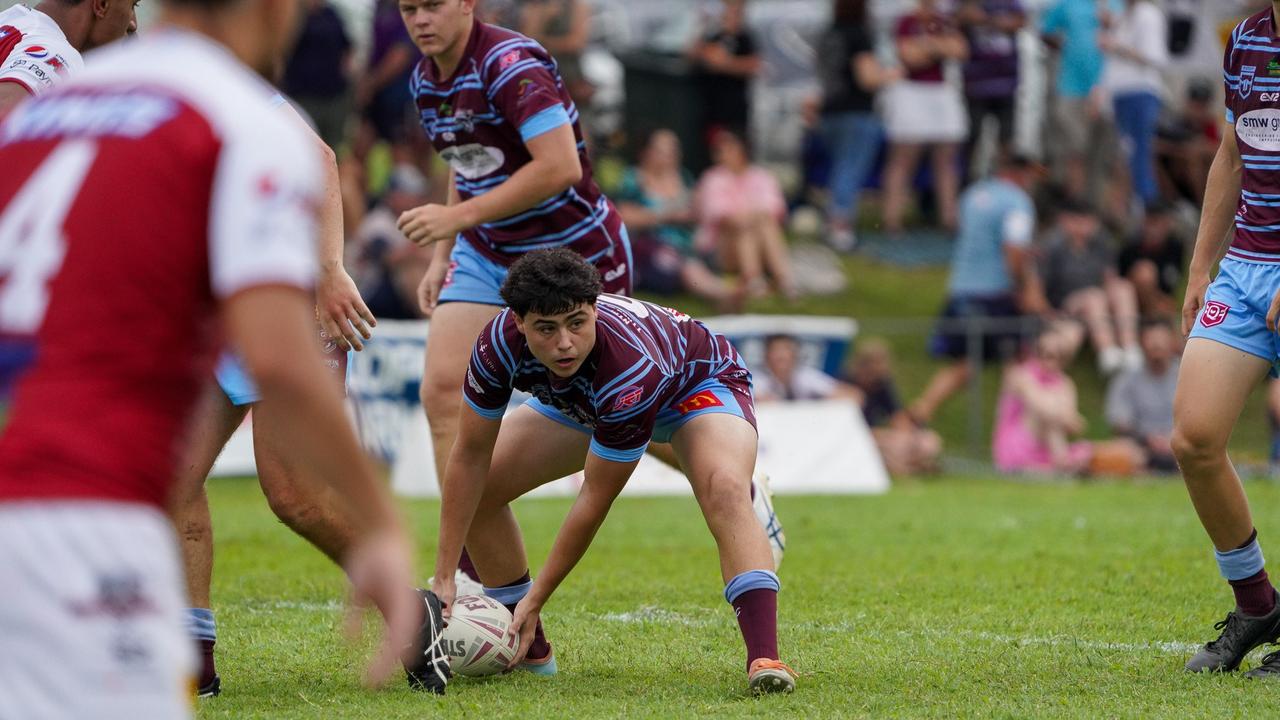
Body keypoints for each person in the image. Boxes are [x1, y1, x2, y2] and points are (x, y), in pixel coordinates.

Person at [0, 0, 425, 714]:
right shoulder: (230, 115)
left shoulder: (57, 102)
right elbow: (279, 354)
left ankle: (198, 655)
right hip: (95, 522)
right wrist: (383, 525)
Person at [429, 248, 798, 694]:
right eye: (546, 329)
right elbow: (469, 456)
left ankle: (765, 657)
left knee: (723, 487)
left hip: (698, 385)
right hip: (582, 396)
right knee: (482, 488)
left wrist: (536, 596)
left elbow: (593, 499)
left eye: (577, 323)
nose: (564, 342)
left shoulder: (629, 368)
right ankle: (531, 650)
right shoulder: (495, 345)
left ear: (595, 309)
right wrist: (444, 575)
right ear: (519, 323)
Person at [395, 0, 633, 602]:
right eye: (407, 8)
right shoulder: (427, 76)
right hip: (487, 249)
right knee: (444, 391)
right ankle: (491, 585)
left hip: (573, 253)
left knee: (621, 406)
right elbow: (466, 161)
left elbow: (558, 166)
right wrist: (444, 251)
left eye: (433, 5)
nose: (420, 19)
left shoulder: (510, 63)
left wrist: (456, 216)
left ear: (467, 4)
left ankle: (730, 473)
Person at [167, 101, 388, 697]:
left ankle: (413, 613)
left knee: (295, 497)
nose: (135, 18)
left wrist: (331, 268)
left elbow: (319, 159)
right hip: (213, 316)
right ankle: (196, 660)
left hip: (289, 302)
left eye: (140, 1)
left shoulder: (219, 81)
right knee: (171, 483)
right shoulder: (120, 91)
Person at [1174, 4, 1280, 679]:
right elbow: (1234, 149)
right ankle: (1258, 604)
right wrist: (1198, 264)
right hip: (1244, 270)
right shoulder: (1244, 37)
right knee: (1194, 437)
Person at [908, 154, 1043, 426]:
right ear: (1019, 173)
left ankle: (921, 409)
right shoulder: (1017, 202)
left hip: (961, 288)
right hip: (995, 293)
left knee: (966, 362)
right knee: (1017, 359)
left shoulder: (972, 196)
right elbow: (1014, 250)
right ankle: (1014, 429)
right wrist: (1023, 287)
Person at [616, 128, 741, 311]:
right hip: (651, 249)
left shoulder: (685, 178)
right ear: (646, 152)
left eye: (673, 150)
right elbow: (622, 217)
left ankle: (746, 282)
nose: (670, 156)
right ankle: (720, 293)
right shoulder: (633, 179)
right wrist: (665, 217)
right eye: (663, 151)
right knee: (684, 263)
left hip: (691, 246)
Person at [816, 0, 901, 251]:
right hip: (856, 112)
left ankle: (831, 221)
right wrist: (893, 74)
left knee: (839, 170)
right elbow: (867, 78)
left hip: (830, 111)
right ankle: (841, 227)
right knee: (849, 170)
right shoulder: (858, 34)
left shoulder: (829, 34)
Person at [881, 0, 969, 233]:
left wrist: (927, 46)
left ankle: (949, 218)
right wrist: (938, 47)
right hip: (911, 91)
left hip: (939, 92)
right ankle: (892, 218)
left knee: (946, 158)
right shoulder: (906, 21)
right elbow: (909, 57)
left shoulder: (944, 21)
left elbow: (960, 50)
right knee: (904, 157)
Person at [1038, 198, 1141, 373]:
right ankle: (1107, 351)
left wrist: (1114, 292)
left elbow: (1110, 278)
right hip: (1065, 304)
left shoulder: (1101, 243)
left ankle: (1130, 347)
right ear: (1065, 220)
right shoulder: (1052, 246)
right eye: (1077, 220)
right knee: (1093, 296)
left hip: (1097, 301)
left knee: (1122, 288)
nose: (1083, 226)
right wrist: (1048, 314)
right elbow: (1038, 287)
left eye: (1087, 221)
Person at [695, 128, 796, 300]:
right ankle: (761, 280)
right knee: (744, 229)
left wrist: (749, 217)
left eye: (728, 148)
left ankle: (781, 279)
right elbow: (721, 216)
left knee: (764, 226)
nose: (722, 154)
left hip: (757, 239)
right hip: (721, 248)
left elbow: (775, 209)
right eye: (719, 150)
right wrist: (751, 217)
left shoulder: (761, 176)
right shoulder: (712, 178)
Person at [1041, 0, 1123, 206]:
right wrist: (1067, 47)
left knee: (1103, 156)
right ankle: (1076, 207)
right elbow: (1045, 31)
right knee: (1075, 152)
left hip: (1108, 88)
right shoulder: (1066, 3)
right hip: (1070, 88)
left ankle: (1098, 212)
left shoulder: (1118, 4)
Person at [0, 0, 138, 115]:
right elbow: (5, 111)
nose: (133, 24)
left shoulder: (9, 19)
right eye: (132, 5)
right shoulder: (57, 54)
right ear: (102, 5)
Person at [1099, 0, 1168, 208]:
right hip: (1121, 95)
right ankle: (1132, 208)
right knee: (1126, 155)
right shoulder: (1122, 17)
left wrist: (1116, 46)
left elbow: (1154, 57)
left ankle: (1147, 206)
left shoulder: (1148, 15)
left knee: (1139, 153)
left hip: (1140, 92)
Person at [843, 339, 943, 476]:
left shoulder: (883, 384)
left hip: (877, 435)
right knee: (893, 446)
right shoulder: (845, 383)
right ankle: (904, 470)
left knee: (928, 441)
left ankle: (908, 467)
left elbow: (898, 416)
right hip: (854, 436)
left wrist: (911, 436)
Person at [956, 0, 1025, 176]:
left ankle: (1004, 182)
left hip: (1006, 83)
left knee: (1006, 138)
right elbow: (958, 17)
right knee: (972, 136)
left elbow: (1019, 21)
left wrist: (989, 19)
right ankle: (966, 179)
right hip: (976, 83)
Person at [1105, 321, 1179, 473]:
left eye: (1161, 340)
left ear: (1172, 342)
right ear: (1141, 343)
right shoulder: (1126, 378)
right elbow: (1120, 422)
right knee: (1120, 451)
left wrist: (1171, 439)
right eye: (1151, 340)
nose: (1156, 345)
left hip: (1179, 442)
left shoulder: (1187, 375)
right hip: (1141, 445)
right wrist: (1149, 438)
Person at [282, 0, 353, 149]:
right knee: (305, 145)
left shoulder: (331, 14)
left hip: (333, 96)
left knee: (333, 146)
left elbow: (347, 46)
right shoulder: (295, 15)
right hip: (304, 96)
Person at [689, 0, 761, 136]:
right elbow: (692, 54)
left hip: (734, 113)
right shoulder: (713, 35)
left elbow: (754, 65)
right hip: (711, 109)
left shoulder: (745, 38)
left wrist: (725, 63)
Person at [1117, 200, 1185, 318]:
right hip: (1134, 305)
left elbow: (1176, 283)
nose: (1155, 229)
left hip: (1166, 302)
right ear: (1144, 223)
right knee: (1145, 272)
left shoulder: (1176, 248)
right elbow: (1121, 284)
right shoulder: (1131, 249)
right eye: (1152, 222)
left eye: (1160, 223)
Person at [519, 0, 592, 106]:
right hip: (541, 76)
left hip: (571, 76)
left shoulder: (577, 5)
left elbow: (576, 43)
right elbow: (526, 40)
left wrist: (544, 43)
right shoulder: (537, 6)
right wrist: (545, 17)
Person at [753, 334, 859, 402]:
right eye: (776, 351)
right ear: (766, 355)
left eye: (786, 350)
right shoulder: (756, 378)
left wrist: (822, 403)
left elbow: (854, 395)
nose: (781, 356)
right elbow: (756, 399)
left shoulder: (805, 375)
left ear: (795, 354)